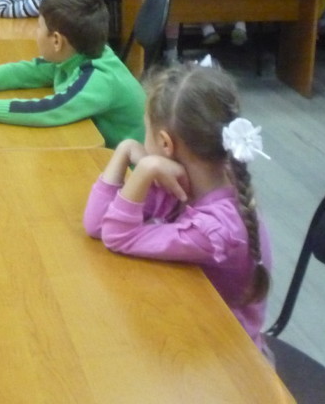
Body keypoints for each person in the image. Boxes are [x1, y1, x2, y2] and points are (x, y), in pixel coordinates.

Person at [82, 63, 272, 355]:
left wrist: (145, 168)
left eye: (144, 131)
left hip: (226, 357)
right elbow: (96, 225)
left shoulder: (217, 229)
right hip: (189, 327)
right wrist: (124, 150)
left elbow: (116, 236)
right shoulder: (182, 184)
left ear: (165, 143)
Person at [0, 0, 145, 146]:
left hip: (132, 175)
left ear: (57, 41)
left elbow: (49, 109)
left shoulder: (99, 78)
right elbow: (24, 72)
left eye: (39, 27)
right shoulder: (78, 53)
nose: (35, 32)